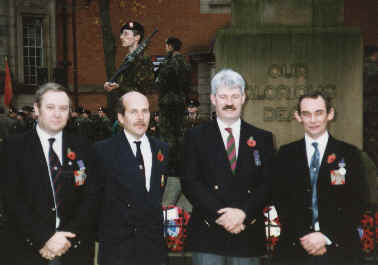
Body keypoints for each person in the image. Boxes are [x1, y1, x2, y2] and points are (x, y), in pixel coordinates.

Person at [181, 69, 274, 265]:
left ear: (243, 98)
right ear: (214, 99)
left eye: (234, 96)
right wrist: (221, 215)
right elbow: (190, 182)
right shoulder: (195, 137)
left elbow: (268, 184)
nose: (229, 102)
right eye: (223, 96)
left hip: (247, 232)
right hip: (208, 233)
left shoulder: (263, 138)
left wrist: (243, 214)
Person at [0, 82, 97, 265]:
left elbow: (91, 197)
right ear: (37, 109)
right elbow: (11, 199)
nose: (57, 113)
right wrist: (44, 238)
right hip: (26, 249)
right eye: (50, 107)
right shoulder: (13, 147)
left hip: (73, 250)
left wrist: (66, 239)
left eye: (63, 108)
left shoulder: (83, 147)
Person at [272, 91, 366, 265]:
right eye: (306, 114)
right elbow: (281, 199)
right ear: (298, 117)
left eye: (319, 113)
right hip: (295, 248)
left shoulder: (349, 154)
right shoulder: (286, 154)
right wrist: (305, 237)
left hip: (340, 249)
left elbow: (357, 201)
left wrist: (326, 236)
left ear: (330, 114)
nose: (313, 120)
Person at [94, 91, 169, 265]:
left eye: (145, 111)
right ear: (120, 117)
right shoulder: (103, 151)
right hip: (118, 249)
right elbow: (95, 198)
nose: (141, 117)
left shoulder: (161, 149)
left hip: (153, 248)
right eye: (133, 112)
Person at [104, 21, 155, 122]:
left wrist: (119, 86)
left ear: (137, 37)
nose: (121, 37)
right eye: (121, 34)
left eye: (126, 34)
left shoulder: (143, 59)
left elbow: (143, 88)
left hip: (136, 111)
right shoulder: (128, 58)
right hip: (125, 107)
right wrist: (113, 85)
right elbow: (125, 82)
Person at [156, 36, 191, 176]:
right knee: (180, 132)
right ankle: (181, 164)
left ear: (170, 46)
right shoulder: (185, 63)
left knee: (167, 133)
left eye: (166, 46)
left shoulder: (169, 62)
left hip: (168, 101)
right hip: (181, 100)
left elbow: (162, 80)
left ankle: (170, 166)